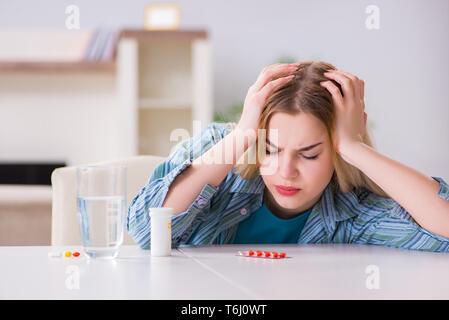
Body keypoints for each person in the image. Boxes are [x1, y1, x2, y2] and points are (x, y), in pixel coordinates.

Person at [127, 61, 449, 252]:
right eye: (270, 149)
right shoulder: (220, 149)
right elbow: (145, 231)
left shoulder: (351, 212)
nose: (286, 171)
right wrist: (241, 137)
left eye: (308, 155)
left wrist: (355, 147)